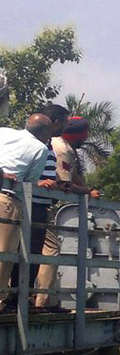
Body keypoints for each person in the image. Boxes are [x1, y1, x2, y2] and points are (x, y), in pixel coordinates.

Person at [37, 116, 101, 312]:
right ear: (78, 135)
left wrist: (86, 188)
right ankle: (43, 301)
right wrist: (87, 192)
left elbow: (72, 175)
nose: (86, 138)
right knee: (52, 250)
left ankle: (37, 298)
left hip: (35, 203)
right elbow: (65, 185)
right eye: (85, 134)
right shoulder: (63, 149)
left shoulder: (56, 143)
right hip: (41, 205)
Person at [0, 113, 52, 313]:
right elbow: (28, 184)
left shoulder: (3, 132)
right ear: (44, 133)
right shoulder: (40, 148)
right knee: (4, 255)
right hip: (8, 200)